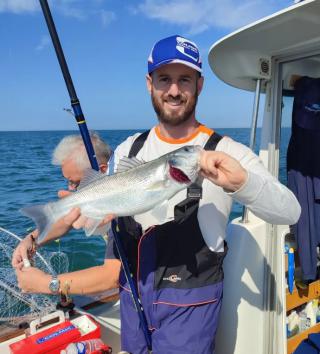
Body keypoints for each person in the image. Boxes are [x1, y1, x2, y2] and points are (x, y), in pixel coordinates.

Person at [15, 35, 301, 354]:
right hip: (134, 296)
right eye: (165, 79)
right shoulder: (129, 148)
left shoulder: (226, 151)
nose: (174, 90)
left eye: (185, 80)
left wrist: (243, 182)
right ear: (149, 83)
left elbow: (290, 212)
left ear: (200, 85)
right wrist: (34, 237)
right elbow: (92, 208)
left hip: (191, 304)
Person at [13, 132, 120, 294]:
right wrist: (32, 239)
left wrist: (45, 283)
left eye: (75, 182)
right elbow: (68, 218)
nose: (70, 188)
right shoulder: (104, 189)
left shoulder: (122, 205)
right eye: (67, 181)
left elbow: (114, 275)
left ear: (103, 170)